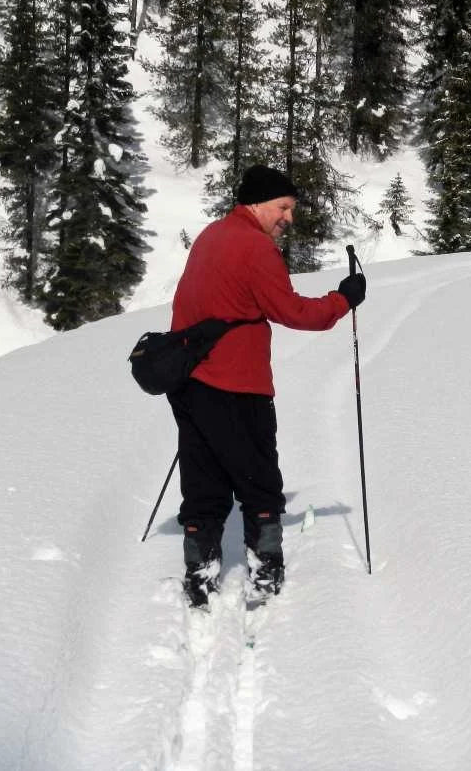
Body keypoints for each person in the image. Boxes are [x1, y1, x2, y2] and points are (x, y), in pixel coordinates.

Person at [168, 164, 366, 608]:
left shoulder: (211, 236)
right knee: (258, 479)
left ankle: (200, 575)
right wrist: (344, 299)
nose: (288, 218)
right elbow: (293, 312)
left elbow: (187, 304)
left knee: (203, 480)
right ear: (257, 204)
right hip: (239, 384)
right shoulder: (255, 247)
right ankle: (265, 570)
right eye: (283, 207)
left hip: (190, 382)